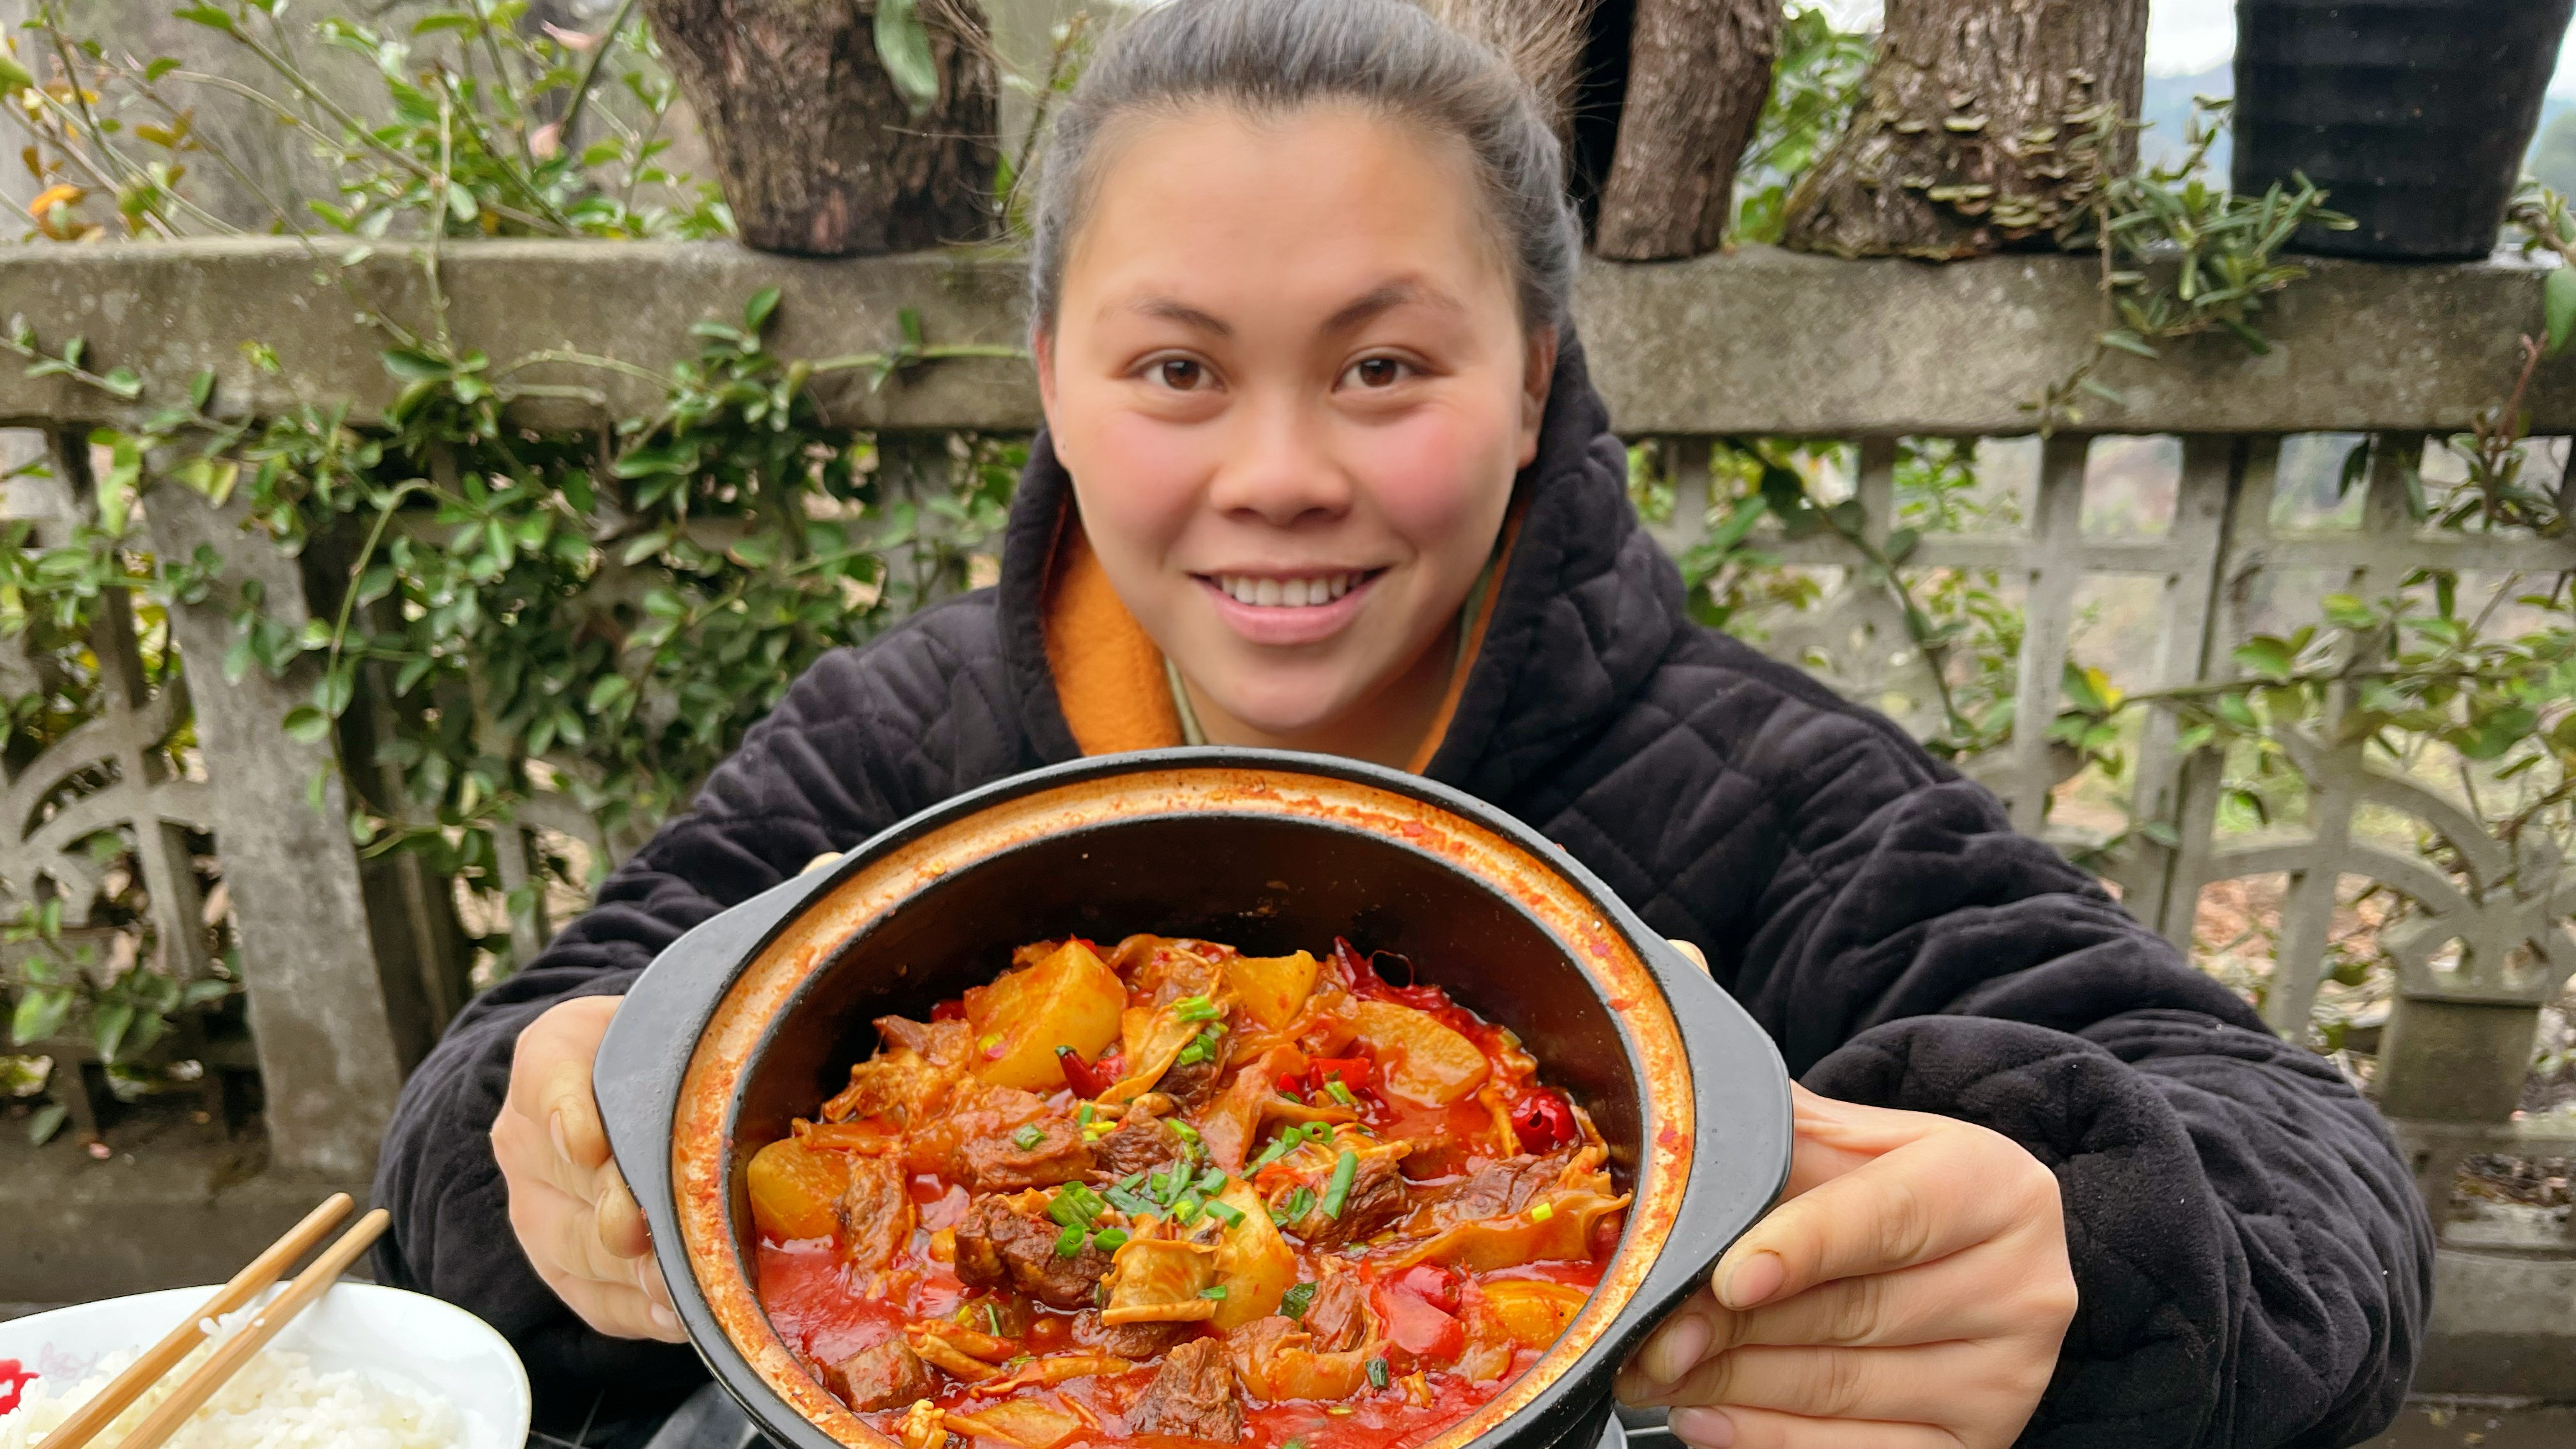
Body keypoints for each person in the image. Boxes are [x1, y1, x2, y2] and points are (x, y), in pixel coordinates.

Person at [371, 2, 2433, 1446]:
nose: (1279, 471)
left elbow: (2314, 1182)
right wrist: (536, 1140)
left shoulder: (1758, 790)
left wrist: (2088, 1271)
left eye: (1381, 367)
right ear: (1051, 382)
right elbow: (520, 1066)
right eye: (1177, 370)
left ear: (1534, 378)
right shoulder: (894, 751)